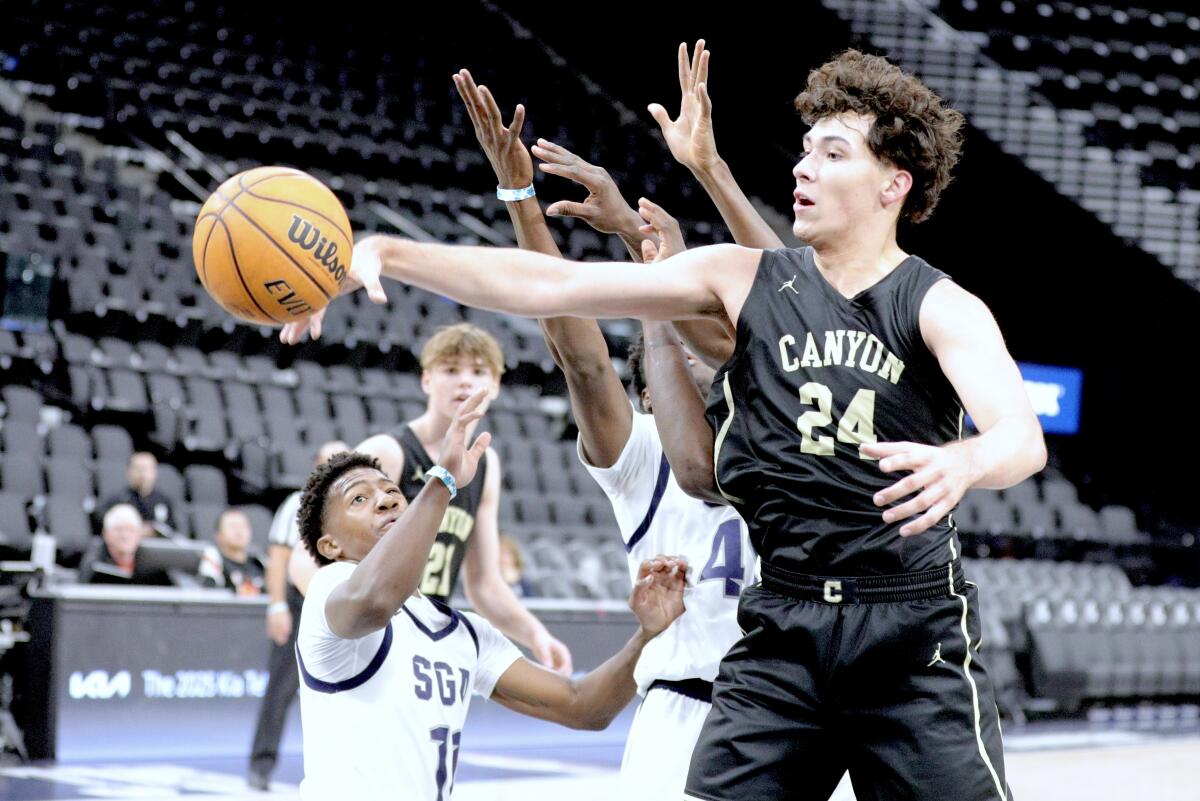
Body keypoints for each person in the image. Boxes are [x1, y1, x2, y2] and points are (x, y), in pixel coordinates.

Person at [284, 49, 1046, 801]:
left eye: (833, 152)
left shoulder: (939, 303)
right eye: (806, 149)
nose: (803, 167)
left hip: (908, 627)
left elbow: (1020, 436)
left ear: (893, 183)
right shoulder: (744, 279)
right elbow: (555, 285)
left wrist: (968, 461)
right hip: (785, 619)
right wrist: (387, 249)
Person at [450, 67, 762, 801]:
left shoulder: (777, 428)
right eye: (671, 359)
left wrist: (639, 234)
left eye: (701, 350)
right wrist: (523, 200)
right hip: (686, 716)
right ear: (651, 391)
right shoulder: (645, 453)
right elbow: (583, 360)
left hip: (801, 712)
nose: (692, 359)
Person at [294, 389, 686, 800]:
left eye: (392, 492)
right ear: (330, 546)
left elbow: (583, 706)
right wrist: (442, 479)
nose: (385, 500)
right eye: (359, 498)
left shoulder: (463, 633)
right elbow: (375, 601)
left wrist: (647, 636)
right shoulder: (328, 590)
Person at [355, 324, 572, 673]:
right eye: (451, 370)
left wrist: (536, 635)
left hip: (427, 637)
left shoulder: (487, 464)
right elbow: (334, 556)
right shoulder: (388, 453)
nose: (466, 381)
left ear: (496, 386)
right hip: (373, 634)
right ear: (427, 380)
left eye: (479, 371)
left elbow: (484, 584)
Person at [247, 439, 346, 791]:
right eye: (330, 460)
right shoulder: (297, 503)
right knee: (282, 686)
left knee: (346, 691)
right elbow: (279, 558)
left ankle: (341, 770)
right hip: (300, 601)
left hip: (343, 603)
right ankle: (261, 764)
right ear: (316, 466)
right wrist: (276, 605)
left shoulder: (356, 505)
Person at [100, 452, 177, 536]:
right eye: (138, 468)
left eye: (146, 468)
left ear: (155, 472)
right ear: (129, 472)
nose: (142, 473)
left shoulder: (164, 501)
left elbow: (172, 530)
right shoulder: (118, 500)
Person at [77, 503, 144, 583]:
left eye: (130, 530)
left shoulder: (150, 565)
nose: (125, 535)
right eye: (119, 530)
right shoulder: (93, 565)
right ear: (105, 533)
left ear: (139, 534)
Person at [208, 509, 265, 596]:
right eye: (233, 527)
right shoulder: (213, 562)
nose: (239, 532)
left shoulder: (261, 563)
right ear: (218, 535)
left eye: (244, 526)